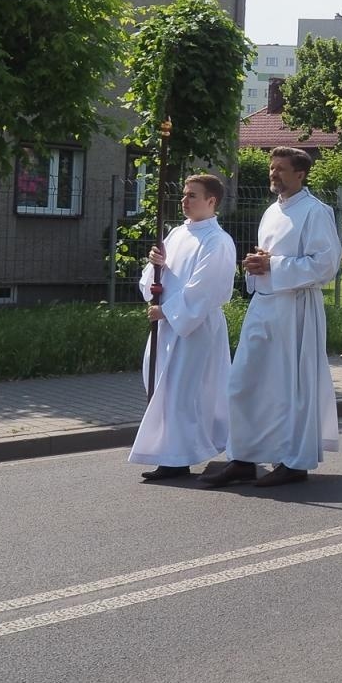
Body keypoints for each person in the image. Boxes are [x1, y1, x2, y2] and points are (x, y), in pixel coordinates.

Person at [201, 148, 339, 488]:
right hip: (263, 306)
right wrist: (256, 265)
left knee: (288, 388)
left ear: (300, 174)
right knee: (243, 382)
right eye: (271, 168)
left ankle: (294, 461)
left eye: (280, 169)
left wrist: (273, 266)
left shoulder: (315, 212)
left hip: (296, 311)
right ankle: (244, 458)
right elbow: (269, 258)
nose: (273, 173)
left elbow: (326, 264)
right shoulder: (270, 212)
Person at [130, 173, 236, 482]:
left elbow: (206, 287)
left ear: (211, 201)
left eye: (192, 195)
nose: (184, 200)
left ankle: (178, 459)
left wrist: (168, 311)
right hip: (168, 325)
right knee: (165, 389)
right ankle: (173, 453)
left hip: (195, 327)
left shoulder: (218, 241)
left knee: (184, 392)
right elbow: (158, 279)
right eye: (184, 194)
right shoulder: (176, 233)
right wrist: (155, 265)